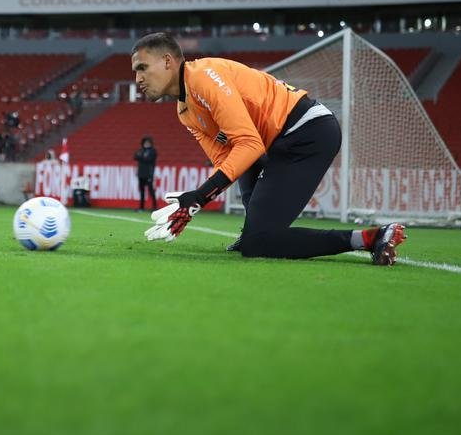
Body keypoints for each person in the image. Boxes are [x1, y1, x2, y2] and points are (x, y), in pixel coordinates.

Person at [130, 32, 405, 265]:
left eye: (142, 68)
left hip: (308, 133)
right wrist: (197, 201)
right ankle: (256, 231)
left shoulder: (202, 77)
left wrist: (200, 197)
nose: (138, 79)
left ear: (167, 61)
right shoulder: (184, 111)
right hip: (278, 143)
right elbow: (230, 160)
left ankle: (370, 237)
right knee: (256, 236)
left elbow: (249, 144)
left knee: (258, 243)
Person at [134, 135, 158, 211]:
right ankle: (141, 207)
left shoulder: (153, 151)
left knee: (151, 190)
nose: (146, 144)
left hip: (149, 173)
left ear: (150, 143)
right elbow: (135, 156)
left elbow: (148, 159)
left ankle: (154, 207)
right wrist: (143, 157)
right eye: (145, 142)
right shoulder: (141, 150)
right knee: (142, 191)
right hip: (141, 173)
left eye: (148, 142)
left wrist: (142, 157)